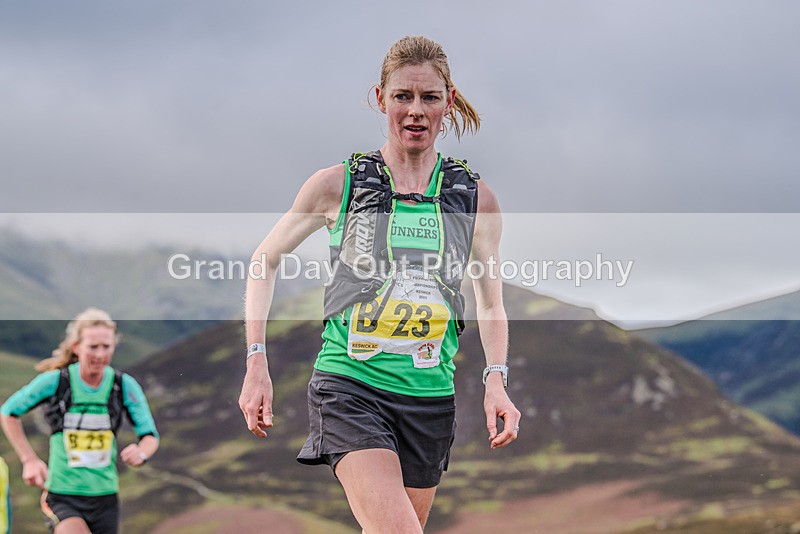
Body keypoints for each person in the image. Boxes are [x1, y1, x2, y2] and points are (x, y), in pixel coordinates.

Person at [238, 35, 521, 533]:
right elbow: (265, 259)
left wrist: (495, 378)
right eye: (403, 97)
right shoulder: (337, 185)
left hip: (430, 399)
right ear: (380, 99)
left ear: (448, 101)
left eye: (430, 98)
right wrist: (255, 360)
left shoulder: (475, 199)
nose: (416, 111)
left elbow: (491, 303)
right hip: (350, 385)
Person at [0, 308, 159, 534]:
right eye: (93, 347)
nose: (100, 354)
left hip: (105, 498)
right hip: (62, 495)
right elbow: (8, 412)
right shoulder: (56, 382)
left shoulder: (124, 386)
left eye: (107, 346)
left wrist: (141, 453)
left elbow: (150, 435)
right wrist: (29, 460)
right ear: (76, 347)